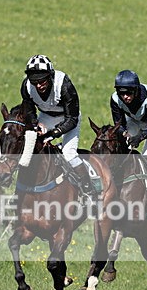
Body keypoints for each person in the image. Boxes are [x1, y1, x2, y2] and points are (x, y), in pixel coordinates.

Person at [20, 54, 95, 199]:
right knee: (31, 146)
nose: (39, 85)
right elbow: (29, 112)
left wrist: (55, 132)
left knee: (68, 153)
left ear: (50, 76)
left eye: (42, 80)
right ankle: (23, 187)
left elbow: (72, 119)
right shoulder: (26, 86)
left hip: (68, 118)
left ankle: (88, 188)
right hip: (46, 117)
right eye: (34, 81)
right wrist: (37, 124)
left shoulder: (64, 85)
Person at [110, 70, 147, 201]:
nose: (125, 97)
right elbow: (119, 124)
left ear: (136, 90)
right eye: (121, 93)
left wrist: (139, 137)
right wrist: (124, 134)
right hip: (133, 119)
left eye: (129, 93)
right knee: (123, 149)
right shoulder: (115, 99)